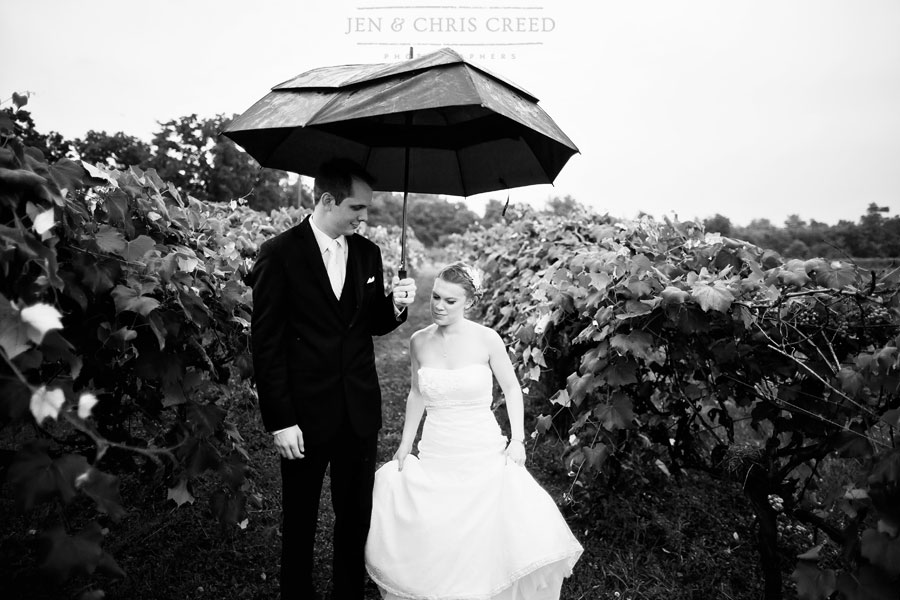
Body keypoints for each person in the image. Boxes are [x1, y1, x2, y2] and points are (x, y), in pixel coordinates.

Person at [249, 158, 417, 600]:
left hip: (359, 410)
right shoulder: (279, 254)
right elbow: (266, 344)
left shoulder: (368, 253)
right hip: (303, 414)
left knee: (356, 515)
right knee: (300, 519)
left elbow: (370, 323)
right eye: (357, 208)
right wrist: (280, 420)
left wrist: (396, 305)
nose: (365, 218)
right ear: (327, 200)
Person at [365, 262, 583, 600]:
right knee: (434, 518)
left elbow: (511, 389)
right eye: (436, 297)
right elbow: (417, 392)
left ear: (470, 302)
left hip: (480, 444)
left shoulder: (487, 339)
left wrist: (518, 440)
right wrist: (405, 444)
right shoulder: (419, 342)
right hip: (438, 446)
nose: (439, 305)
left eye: (450, 301)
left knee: (486, 523)